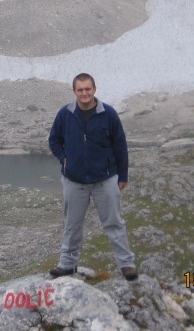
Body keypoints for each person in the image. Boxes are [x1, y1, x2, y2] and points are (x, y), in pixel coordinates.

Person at [48, 72, 138, 281]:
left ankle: (127, 265)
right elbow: (54, 140)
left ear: (94, 89)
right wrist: (64, 158)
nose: (84, 93)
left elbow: (120, 146)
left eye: (88, 89)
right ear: (74, 92)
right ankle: (67, 265)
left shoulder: (109, 114)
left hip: (105, 180)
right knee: (72, 225)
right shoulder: (65, 114)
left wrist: (122, 176)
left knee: (114, 223)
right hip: (74, 180)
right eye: (80, 90)